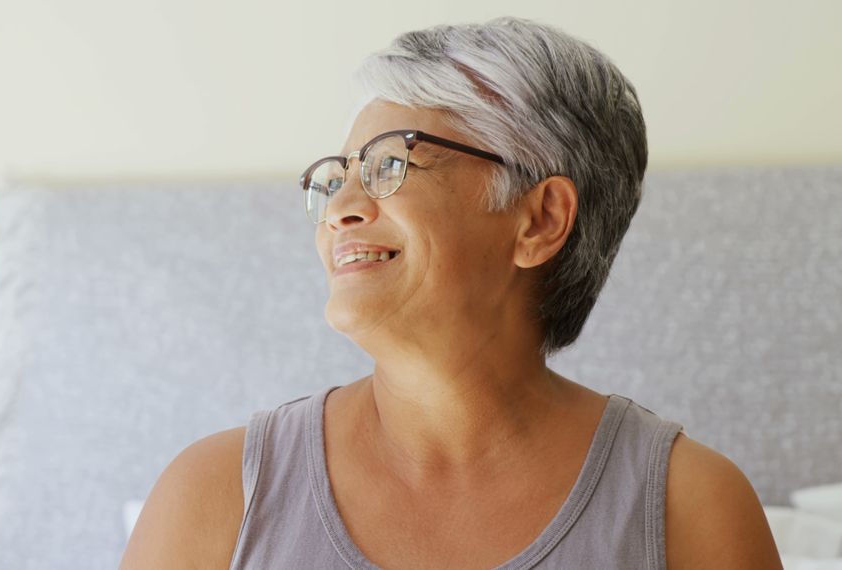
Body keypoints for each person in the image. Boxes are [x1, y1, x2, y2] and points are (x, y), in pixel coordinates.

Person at [120, 17, 783, 569]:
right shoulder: (212, 499)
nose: (340, 207)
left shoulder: (690, 509)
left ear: (541, 220)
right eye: (337, 177)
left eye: (389, 164)